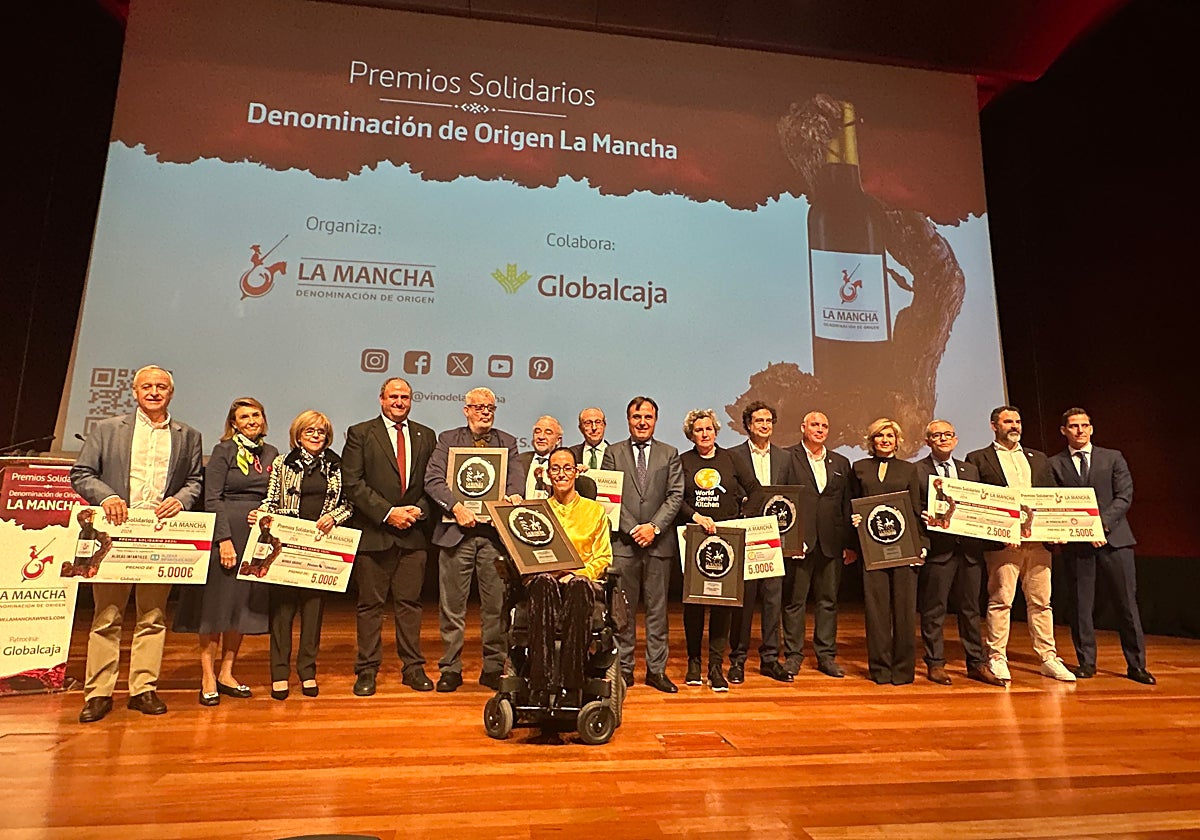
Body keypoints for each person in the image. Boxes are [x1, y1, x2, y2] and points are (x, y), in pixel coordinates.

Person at [69, 364, 203, 723]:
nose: (154, 392)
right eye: (147, 386)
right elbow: (82, 474)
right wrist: (107, 496)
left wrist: (183, 500)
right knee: (107, 615)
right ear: (135, 392)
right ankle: (98, 692)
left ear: (170, 393)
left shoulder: (188, 434)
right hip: (117, 534)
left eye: (161, 386)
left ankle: (143, 688)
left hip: (160, 535)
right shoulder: (108, 429)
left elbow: (193, 480)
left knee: (154, 615)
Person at [173, 397, 277, 706]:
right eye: (244, 416)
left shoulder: (272, 454)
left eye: (256, 414)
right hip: (226, 536)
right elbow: (212, 498)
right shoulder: (223, 451)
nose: (251, 421)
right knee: (216, 609)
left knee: (240, 608)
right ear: (234, 423)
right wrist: (224, 540)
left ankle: (227, 672)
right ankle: (207, 675)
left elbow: (276, 494)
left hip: (257, 537)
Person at [423, 386, 523, 692]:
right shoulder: (448, 440)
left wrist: (513, 496)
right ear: (466, 410)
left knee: (496, 607)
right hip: (457, 533)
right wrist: (456, 507)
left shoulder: (507, 442)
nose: (485, 413)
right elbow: (433, 479)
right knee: (452, 606)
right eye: (478, 408)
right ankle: (451, 668)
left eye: (490, 408)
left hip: (493, 537)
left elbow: (515, 478)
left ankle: (493, 667)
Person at [966, 405, 1076, 682]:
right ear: (994, 426)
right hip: (1004, 545)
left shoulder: (1038, 458)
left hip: (1038, 542)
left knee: (1041, 601)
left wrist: (1056, 529)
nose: (1014, 426)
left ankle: (1048, 657)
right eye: (1007, 422)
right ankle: (997, 656)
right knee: (1001, 600)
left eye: (1017, 421)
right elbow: (980, 502)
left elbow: (1051, 496)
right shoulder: (978, 458)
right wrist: (999, 533)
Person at [341, 377, 436, 696]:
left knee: (410, 604)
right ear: (381, 399)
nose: (399, 401)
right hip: (374, 533)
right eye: (393, 396)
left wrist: (418, 511)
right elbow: (353, 484)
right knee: (370, 606)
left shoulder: (426, 435)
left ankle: (413, 668)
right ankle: (367, 670)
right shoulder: (360, 433)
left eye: (405, 397)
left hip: (413, 534)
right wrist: (388, 513)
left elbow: (432, 483)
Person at [252, 410, 354, 700]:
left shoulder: (336, 465)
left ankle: (307, 671)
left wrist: (334, 517)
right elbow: (271, 500)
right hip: (285, 547)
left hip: (320, 548)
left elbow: (348, 505)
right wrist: (262, 514)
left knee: (313, 614)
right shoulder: (283, 463)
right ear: (298, 435)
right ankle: (280, 674)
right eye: (310, 431)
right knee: (282, 614)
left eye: (321, 431)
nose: (316, 436)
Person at [1049, 408, 1154, 684]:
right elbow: (1054, 503)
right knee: (1081, 606)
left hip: (1115, 541)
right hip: (1077, 546)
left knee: (1127, 605)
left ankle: (1137, 665)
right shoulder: (1054, 464)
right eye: (1073, 426)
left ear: (1092, 429)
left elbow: (1124, 496)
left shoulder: (1113, 457)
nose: (1080, 430)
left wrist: (1100, 526)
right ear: (1064, 431)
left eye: (1084, 425)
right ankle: (1086, 662)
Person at [601, 396, 684, 692]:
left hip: (658, 545)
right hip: (624, 544)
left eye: (648, 417)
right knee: (621, 612)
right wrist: (634, 528)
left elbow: (675, 495)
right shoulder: (612, 453)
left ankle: (656, 670)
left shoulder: (670, 453)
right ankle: (624, 670)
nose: (642, 422)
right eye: (637, 416)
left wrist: (654, 527)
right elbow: (608, 495)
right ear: (628, 420)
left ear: (655, 420)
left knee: (657, 611)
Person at [913, 420, 1004, 686]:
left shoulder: (970, 470)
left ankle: (977, 663)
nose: (943, 439)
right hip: (939, 550)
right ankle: (935, 663)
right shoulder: (917, 471)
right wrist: (923, 515)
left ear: (955, 439)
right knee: (934, 610)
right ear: (928, 441)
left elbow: (981, 506)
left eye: (948, 435)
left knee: (971, 610)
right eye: (937, 435)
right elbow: (914, 504)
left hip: (969, 552)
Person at [677, 409, 756, 691]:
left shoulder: (732, 459)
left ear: (716, 431)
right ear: (691, 434)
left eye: (708, 428)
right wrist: (695, 516)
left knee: (723, 606)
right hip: (694, 538)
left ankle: (715, 666)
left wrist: (739, 519)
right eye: (698, 430)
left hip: (726, 542)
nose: (704, 434)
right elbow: (675, 498)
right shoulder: (683, 461)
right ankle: (694, 662)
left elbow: (754, 489)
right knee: (695, 606)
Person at [525, 447, 614, 695]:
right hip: (546, 581)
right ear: (547, 474)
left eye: (567, 468)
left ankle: (572, 680)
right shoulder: (536, 512)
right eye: (555, 468)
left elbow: (604, 557)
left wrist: (576, 574)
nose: (561, 474)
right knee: (542, 582)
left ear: (576, 472)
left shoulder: (594, 510)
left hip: (581, 583)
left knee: (578, 585)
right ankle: (540, 682)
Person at [849, 418, 927, 685]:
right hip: (872, 550)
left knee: (905, 610)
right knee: (876, 611)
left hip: (904, 549)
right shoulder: (859, 468)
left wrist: (922, 546)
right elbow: (852, 504)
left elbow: (916, 510)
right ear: (871, 440)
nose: (885, 440)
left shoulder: (909, 469)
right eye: (880, 436)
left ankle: (904, 670)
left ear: (897, 441)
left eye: (890, 436)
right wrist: (854, 521)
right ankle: (880, 669)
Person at [727, 400, 796, 683]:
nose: (764, 426)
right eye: (759, 421)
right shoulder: (733, 456)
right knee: (743, 602)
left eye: (768, 421)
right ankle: (738, 660)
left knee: (773, 600)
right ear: (748, 425)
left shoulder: (786, 458)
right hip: (745, 536)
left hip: (776, 539)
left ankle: (770, 659)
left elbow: (792, 499)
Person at [784, 411, 855, 678]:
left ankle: (826, 656)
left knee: (828, 601)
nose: (820, 429)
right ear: (803, 427)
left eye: (825, 425)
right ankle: (793, 656)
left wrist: (849, 544)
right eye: (815, 424)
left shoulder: (841, 462)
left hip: (831, 544)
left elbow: (845, 505)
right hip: (800, 542)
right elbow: (783, 501)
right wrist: (790, 539)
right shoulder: (788, 457)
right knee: (795, 602)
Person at [512, 415, 563, 500]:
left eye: (548, 432)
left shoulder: (564, 465)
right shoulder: (519, 461)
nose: (541, 437)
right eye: (537, 432)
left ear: (558, 440)